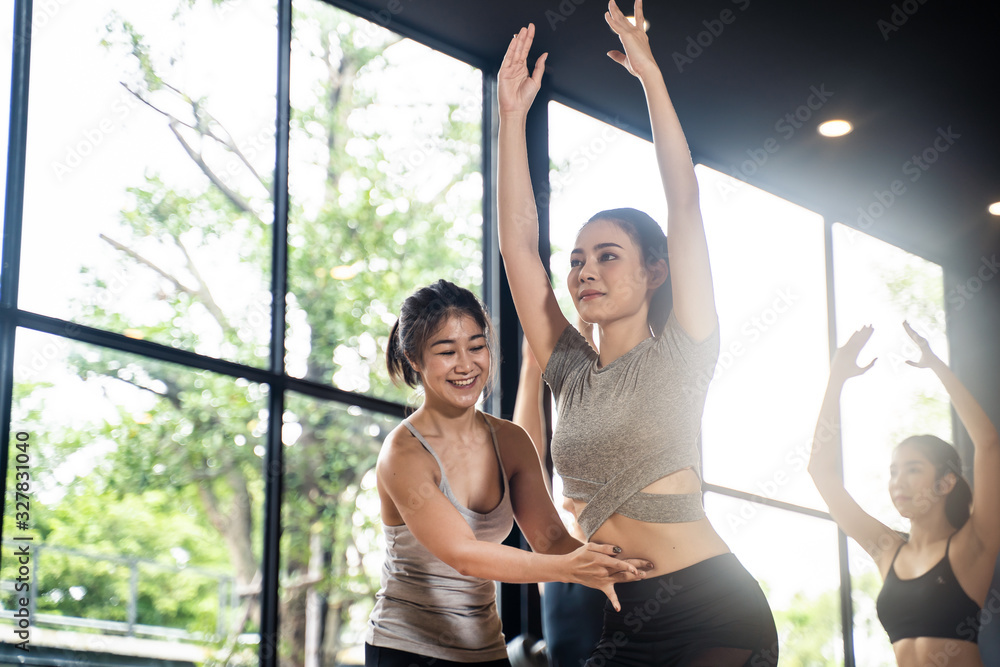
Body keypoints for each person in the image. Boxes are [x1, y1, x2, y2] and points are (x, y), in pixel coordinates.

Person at [496, 2, 779, 664]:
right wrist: (511, 118)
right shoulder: (567, 370)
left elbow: (683, 199)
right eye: (576, 259)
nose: (584, 270)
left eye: (606, 255)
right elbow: (518, 246)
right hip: (623, 624)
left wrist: (650, 73)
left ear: (654, 271)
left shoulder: (684, 349)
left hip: (714, 608)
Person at [366, 280, 651, 667]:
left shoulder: (511, 442)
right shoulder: (404, 452)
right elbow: (464, 556)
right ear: (414, 358)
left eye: (477, 346)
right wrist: (571, 568)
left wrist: (620, 567)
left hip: (486, 650)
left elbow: (550, 542)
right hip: (406, 650)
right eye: (447, 351)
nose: (466, 365)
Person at [808, 322, 1000, 667]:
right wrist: (836, 377)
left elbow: (988, 445)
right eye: (894, 471)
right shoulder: (888, 550)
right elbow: (822, 474)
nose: (899, 482)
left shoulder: (973, 544)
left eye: (913, 469)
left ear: (946, 482)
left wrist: (937, 366)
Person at [512, 332, 606, 667]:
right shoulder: (555, 560)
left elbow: (597, 416)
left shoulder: (614, 559)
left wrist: (585, 328)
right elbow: (525, 458)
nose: (566, 496)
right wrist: (529, 367)